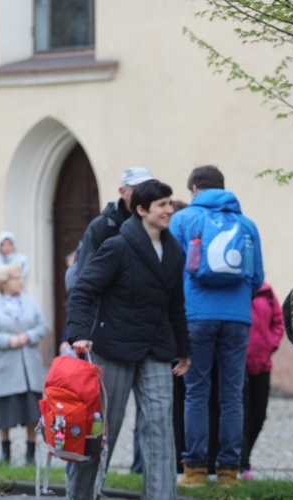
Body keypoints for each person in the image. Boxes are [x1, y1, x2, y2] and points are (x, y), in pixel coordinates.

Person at [66, 179, 191, 500]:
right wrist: (79, 334)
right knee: (101, 433)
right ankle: (80, 495)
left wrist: (183, 350)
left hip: (156, 350)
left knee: (161, 430)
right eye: (162, 204)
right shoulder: (118, 246)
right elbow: (83, 290)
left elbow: (175, 304)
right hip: (115, 348)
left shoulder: (174, 250)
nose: (169, 209)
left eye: (170, 203)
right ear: (141, 210)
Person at [169, 165, 264, 487]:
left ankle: (194, 470)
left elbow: (170, 269)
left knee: (196, 393)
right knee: (232, 395)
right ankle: (228, 472)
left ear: (194, 188)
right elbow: (257, 278)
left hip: (196, 316)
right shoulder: (247, 224)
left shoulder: (183, 219)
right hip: (237, 318)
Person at [72, 166, 154, 474]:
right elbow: (86, 280)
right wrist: (87, 330)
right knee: (102, 418)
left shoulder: (155, 227)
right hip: (108, 333)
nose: (146, 193)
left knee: (153, 415)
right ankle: (84, 485)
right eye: (139, 188)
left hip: (145, 333)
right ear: (123, 192)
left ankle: (140, 469)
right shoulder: (103, 226)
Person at [0, 264, 48, 466]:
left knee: (33, 412)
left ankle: (30, 455)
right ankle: (5, 453)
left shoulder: (30, 303)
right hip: (5, 368)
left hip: (29, 368)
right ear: (4, 283)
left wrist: (28, 336)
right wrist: (8, 340)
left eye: (20, 278)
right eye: (16, 278)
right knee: (5, 412)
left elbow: (42, 326)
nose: (20, 281)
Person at [240, 281, 284, 477]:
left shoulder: (266, 291)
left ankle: (244, 457)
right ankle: (241, 463)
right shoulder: (236, 289)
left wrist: (270, 346)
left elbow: (278, 321)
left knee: (258, 416)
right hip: (238, 366)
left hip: (262, 364)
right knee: (241, 416)